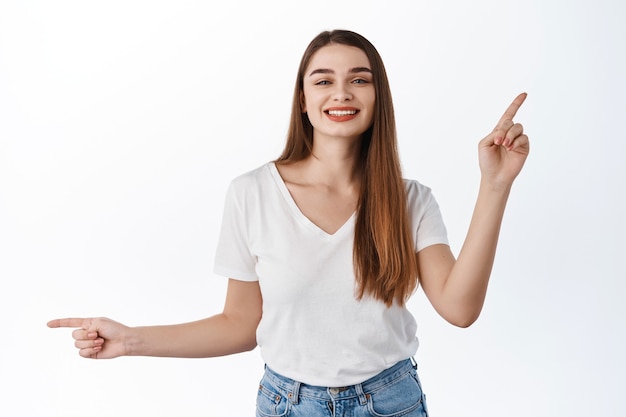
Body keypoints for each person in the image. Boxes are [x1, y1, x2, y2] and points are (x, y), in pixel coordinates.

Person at [48, 29, 529, 416]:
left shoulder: (410, 200)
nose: (341, 92)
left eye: (359, 80)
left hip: (391, 402)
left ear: (378, 96)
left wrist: (494, 186)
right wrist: (130, 339)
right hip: (288, 406)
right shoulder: (252, 194)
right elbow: (239, 324)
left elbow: (460, 309)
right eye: (323, 80)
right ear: (302, 99)